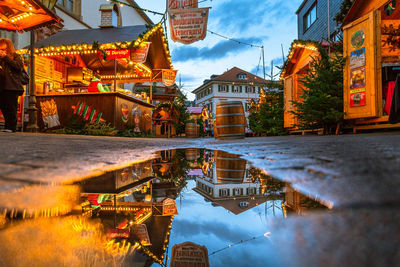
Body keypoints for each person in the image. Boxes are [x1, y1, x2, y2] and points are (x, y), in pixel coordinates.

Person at [0, 39, 25, 132]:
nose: (2, 51)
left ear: (8, 48)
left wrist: (6, 57)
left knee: (11, 107)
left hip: (12, 86)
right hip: (2, 86)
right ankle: (7, 126)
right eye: (0, 49)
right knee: (4, 107)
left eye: (4, 49)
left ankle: (11, 127)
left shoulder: (16, 56)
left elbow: (18, 67)